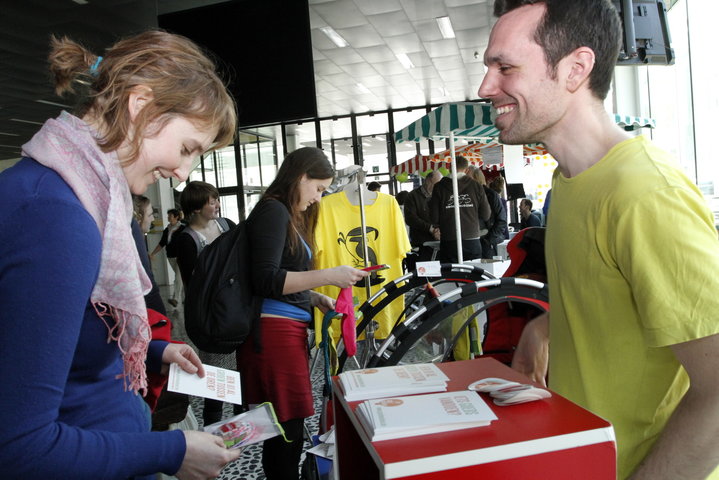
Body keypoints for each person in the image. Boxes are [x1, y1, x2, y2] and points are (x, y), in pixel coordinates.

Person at [480, 1, 719, 479]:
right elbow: (616, 301)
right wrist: (542, 329)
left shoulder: (645, 194)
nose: (486, 87)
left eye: (504, 67)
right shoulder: (570, 184)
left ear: (575, 69)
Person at [0, 30, 242, 479]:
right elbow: (20, 447)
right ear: (140, 104)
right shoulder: (57, 217)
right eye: (187, 148)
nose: (182, 172)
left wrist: (154, 352)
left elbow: (62, 345)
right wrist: (170, 452)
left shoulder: (90, 200)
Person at [236, 147, 369, 480]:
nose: (319, 198)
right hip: (273, 334)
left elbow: (276, 277)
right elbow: (266, 279)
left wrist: (313, 298)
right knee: (286, 429)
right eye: (318, 188)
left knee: (286, 426)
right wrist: (328, 277)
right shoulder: (273, 211)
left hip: (283, 330)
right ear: (300, 176)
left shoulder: (282, 214)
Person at [173, 180, 236, 426]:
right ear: (197, 208)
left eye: (217, 199)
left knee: (242, 370)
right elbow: (193, 284)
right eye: (212, 202)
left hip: (236, 308)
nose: (217, 205)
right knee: (215, 373)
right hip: (211, 315)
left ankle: (244, 422)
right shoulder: (186, 239)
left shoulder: (227, 225)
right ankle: (213, 427)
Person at [430, 155, 491, 262]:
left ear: (449, 168)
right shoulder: (476, 186)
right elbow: (486, 215)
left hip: (449, 239)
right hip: (472, 239)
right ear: (467, 170)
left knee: (451, 275)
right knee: (473, 275)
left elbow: (434, 218)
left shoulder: (439, 187)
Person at [467, 166, 508, 258]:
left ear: (477, 178)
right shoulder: (467, 196)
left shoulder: (491, 195)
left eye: (468, 178)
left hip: (488, 243)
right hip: (473, 242)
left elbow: (502, 220)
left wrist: (488, 239)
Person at [403, 170, 442, 266]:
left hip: (440, 242)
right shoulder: (412, 196)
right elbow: (410, 218)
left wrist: (439, 230)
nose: (438, 187)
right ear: (428, 181)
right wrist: (430, 229)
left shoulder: (440, 195)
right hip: (421, 243)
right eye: (436, 184)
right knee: (424, 274)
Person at [150, 208, 185, 308]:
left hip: (181, 256)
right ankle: (187, 296)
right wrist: (152, 253)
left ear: (176, 217)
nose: (168, 217)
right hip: (170, 256)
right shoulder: (167, 230)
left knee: (178, 277)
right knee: (181, 277)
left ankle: (175, 299)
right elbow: (162, 244)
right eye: (168, 215)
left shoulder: (183, 228)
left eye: (170, 215)